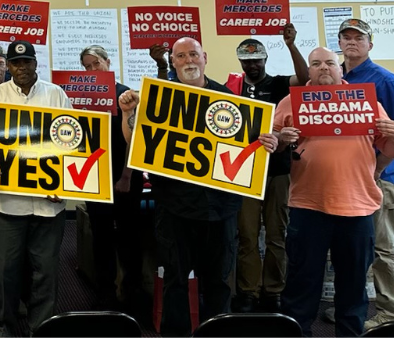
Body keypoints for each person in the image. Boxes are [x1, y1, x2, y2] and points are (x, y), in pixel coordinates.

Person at [118, 37, 278, 336]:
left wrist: (266, 143)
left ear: (204, 57)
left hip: (220, 208)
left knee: (217, 281)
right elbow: (136, 144)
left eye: (193, 54)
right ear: (173, 60)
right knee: (175, 280)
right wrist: (128, 115)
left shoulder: (229, 98)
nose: (188, 60)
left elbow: (250, 147)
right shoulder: (158, 96)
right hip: (173, 207)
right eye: (181, 56)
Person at [273, 46, 394, 337]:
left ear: (340, 69)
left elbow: (388, 147)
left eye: (330, 63)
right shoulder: (290, 103)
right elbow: (272, 146)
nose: (323, 68)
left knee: (353, 289)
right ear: (309, 71)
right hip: (308, 206)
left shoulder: (365, 101)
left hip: (358, 207)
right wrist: (280, 138)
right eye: (316, 64)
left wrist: (383, 158)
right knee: (302, 284)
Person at [0, 40, 73, 337]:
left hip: (47, 202)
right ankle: (1, 328)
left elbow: (70, 144)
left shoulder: (56, 94)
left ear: (35, 63)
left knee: (46, 272)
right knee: (2, 272)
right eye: (16, 63)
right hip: (5, 203)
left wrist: (66, 184)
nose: (22, 68)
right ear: (9, 66)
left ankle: (41, 329)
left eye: (27, 62)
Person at [232, 25, 310, 314]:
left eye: (257, 60)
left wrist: (291, 45)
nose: (252, 65)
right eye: (247, 60)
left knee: (278, 233)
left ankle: (274, 290)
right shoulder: (232, 89)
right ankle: (248, 291)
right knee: (248, 235)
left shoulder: (278, 84)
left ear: (265, 60)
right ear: (240, 62)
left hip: (278, 170)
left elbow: (305, 79)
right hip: (243, 171)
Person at [337, 18, 394, 330]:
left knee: (384, 248)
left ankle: (391, 313)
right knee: (355, 249)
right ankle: (353, 310)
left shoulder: (385, 81)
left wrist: (378, 169)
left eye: (358, 38)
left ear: (370, 45)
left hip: (381, 177)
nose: (351, 43)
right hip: (349, 180)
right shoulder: (337, 78)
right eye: (346, 37)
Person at [78, 45, 146, 316]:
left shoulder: (124, 94)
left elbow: (136, 139)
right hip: (96, 178)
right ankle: (104, 293)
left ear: (108, 62)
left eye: (96, 64)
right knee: (101, 237)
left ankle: (132, 293)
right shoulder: (83, 96)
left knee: (129, 236)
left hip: (125, 177)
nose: (92, 70)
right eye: (87, 66)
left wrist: (127, 176)